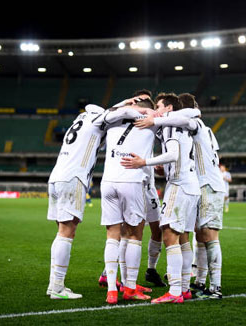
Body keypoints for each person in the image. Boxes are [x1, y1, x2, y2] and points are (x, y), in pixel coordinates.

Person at [136, 93, 225, 300]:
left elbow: (186, 118)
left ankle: (214, 287)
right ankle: (197, 282)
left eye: (159, 106)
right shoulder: (200, 129)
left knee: (206, 237)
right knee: (195, 236)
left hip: (204, 184)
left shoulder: (192, 123)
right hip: (198, 183)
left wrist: (157, 119)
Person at [46, 103, 140, 300]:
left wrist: (126, 102)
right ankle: (57, 288)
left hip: (56, 178)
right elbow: (119, 112)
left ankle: (54, 284)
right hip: (74, 177)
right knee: (67, 231)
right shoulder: (97, 119)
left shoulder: (79, 120)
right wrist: (144, 111)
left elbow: (110, 108)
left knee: (61, 231)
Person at [122, 93, 200, 304]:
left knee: (169, 236)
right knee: (182, 237)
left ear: (168, 109)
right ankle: (184, 289)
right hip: (191, 185)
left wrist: (144, 162)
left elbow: (173, 154)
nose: (155, 109)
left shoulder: (170, 125)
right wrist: (161, 167)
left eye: (158, 106)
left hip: (179, 185)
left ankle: (174, 292)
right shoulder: (178, 124)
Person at [100, 98, 157, 304]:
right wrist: (152, 114)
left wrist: (126, 105)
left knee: (112, 236)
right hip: (131, 180)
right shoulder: (152, 120)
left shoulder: (114, 118)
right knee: (134, 234)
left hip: (108, 182)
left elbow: (109, 110)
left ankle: (112, 289)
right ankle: (130, 287)